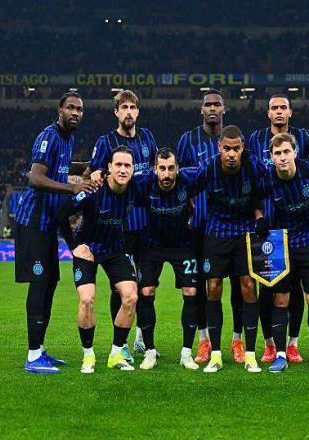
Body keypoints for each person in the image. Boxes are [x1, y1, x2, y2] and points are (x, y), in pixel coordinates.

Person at [15, 91, 95, 374]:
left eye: (80, 109)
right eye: (70, 108)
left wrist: (88, 168)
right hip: (33, 222)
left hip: (48, 224)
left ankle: (39, 349)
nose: (75, 113)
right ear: (60, 110)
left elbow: (61, 168)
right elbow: (35, 178)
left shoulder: (68, 139)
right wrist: (73, 187)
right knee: (39, 284)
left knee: (49, 284)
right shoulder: (48, 136)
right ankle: (32, 356)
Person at [84, 89, 158, 362]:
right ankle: (121, 344)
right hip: (120, 228)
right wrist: (93, 174)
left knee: (147, 286)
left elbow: (156, 172)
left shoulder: (148, 138)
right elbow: (92, 175)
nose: (128, 112)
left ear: (138, 112)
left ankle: (141, 338)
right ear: (116, 112)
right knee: (121, 287)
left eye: (132, 107)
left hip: (146, 225)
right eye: (123, 107)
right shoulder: (106, 142)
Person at [57, 146, 142, 374]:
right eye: (118, 165)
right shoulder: (94, 189)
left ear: (133, 169)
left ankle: (116, 354)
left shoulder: (136, 188)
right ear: (109, 167)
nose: (123, 170)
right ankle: (88, 355)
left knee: (131, 296)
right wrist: (74, 247)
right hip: (89, 249)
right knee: (87, 299)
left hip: (115, 249)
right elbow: (61, 214)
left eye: (127, 165)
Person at [176, 89, 246, 364]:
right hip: (199, 227)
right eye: (208, 104)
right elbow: (179, 179)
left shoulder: (235, 139)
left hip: (233, 227)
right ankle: (204, 340)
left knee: (240, 287)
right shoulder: (187, 140)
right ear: (201, 110)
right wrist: (188, 207)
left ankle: (237, 340)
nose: (213, 108)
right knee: (205, 288)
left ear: (224, 109)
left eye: (217, 104)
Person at [260, 133, 309, 373]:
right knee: (281, 299)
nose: (282, 157)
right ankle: (281, 354)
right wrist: (259, 218)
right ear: (271, 157)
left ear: (295, 152)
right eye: (277, 153)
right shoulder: (267, 177)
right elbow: (255, 199)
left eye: (286, 152)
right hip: (281, 244)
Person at [198, 125, 265, 373]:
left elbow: (267, 187)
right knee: (214, 286)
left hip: (244, 230)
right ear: (219, 148)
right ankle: (215, 354)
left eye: (236, 148)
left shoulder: (253, 165)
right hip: (216, 231)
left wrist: (260, 216)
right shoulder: (209, 167)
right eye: (227, 148)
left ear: (242, 148)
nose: (231, 154)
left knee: (248, 286)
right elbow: (186, 185)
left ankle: (250, 354)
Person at [249, 94, 309, 364]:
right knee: (267, 288)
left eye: (283, 107)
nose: (279, 112)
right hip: (269, 228)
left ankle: (293, 344)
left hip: (298, 226)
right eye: (274, 108)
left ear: (290, 112)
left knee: (295, 287)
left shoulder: (303, 137)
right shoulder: (255, 139)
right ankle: (270, 344)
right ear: (268, 113)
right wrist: (258, 216)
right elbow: (253, 182)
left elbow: (307, 172)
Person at [135, 148, 201, 371]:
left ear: (178, 169)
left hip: (182, 244)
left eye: (171, 168)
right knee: (146, 292)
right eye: (162, 168)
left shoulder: (189, 179)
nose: (166, 174)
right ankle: (150, 352)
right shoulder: (144, 182)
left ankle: (186, 353)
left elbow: (212, 173)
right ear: (155, 169)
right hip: (151, 245)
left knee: (191, 292)